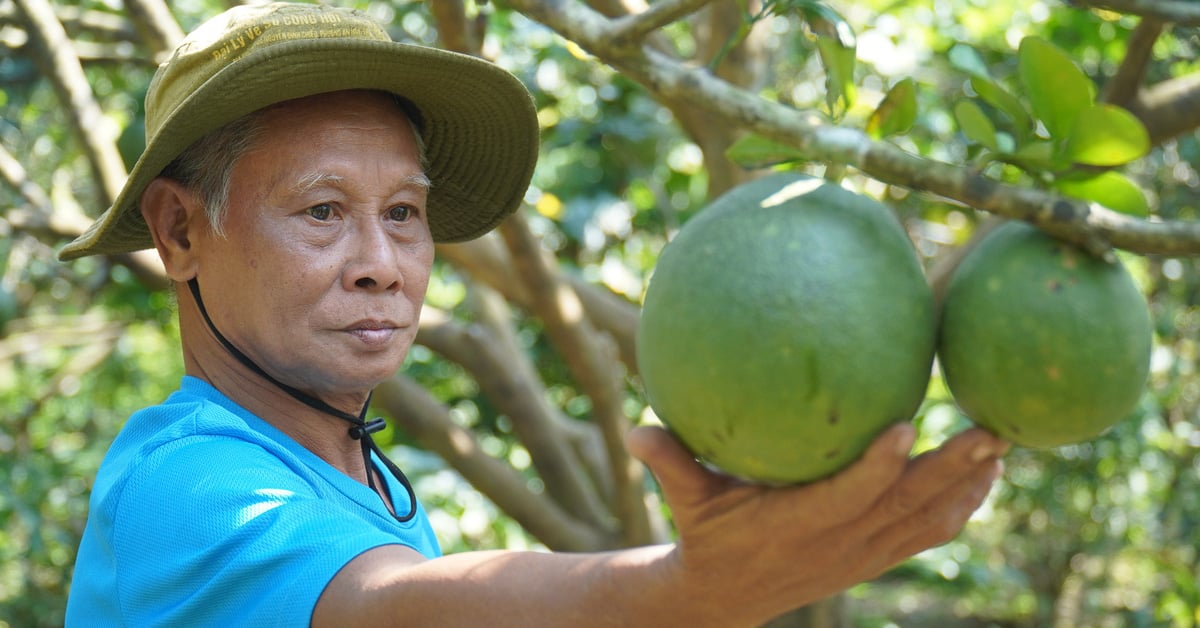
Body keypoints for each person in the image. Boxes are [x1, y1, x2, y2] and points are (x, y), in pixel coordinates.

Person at [60, 2, 1010, 626]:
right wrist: (682, 592)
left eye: (403, 214)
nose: (384, 267)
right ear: (179, 232)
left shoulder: (358, 476)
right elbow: (395, 609)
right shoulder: (184, 484)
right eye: (322, 212)